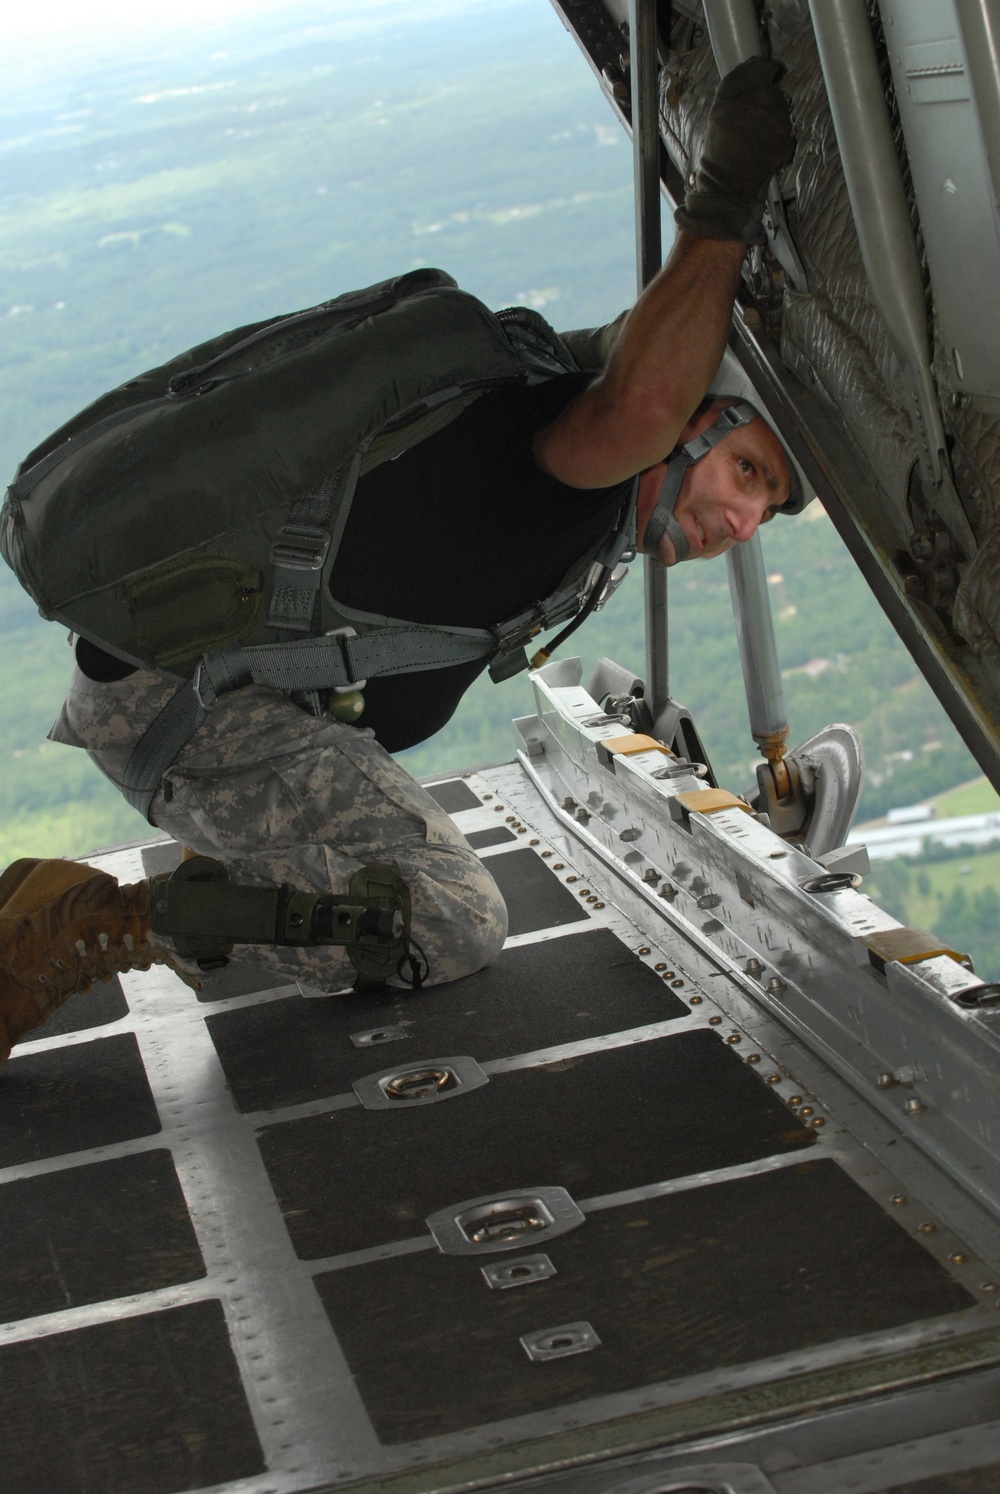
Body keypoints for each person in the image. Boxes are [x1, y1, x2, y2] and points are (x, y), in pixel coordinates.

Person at [0, 57, 796, 1064]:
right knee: (447, 922)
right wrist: (723, 208)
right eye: (747, 471)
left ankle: (241, 877)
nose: (741, 519)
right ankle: (85, 921)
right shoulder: (562, 459)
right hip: (186, 713)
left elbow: (635, 361)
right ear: (685, 420)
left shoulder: (553, 413)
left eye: (768, 503)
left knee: (385, 883)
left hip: (209, 698)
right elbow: (638, 400)